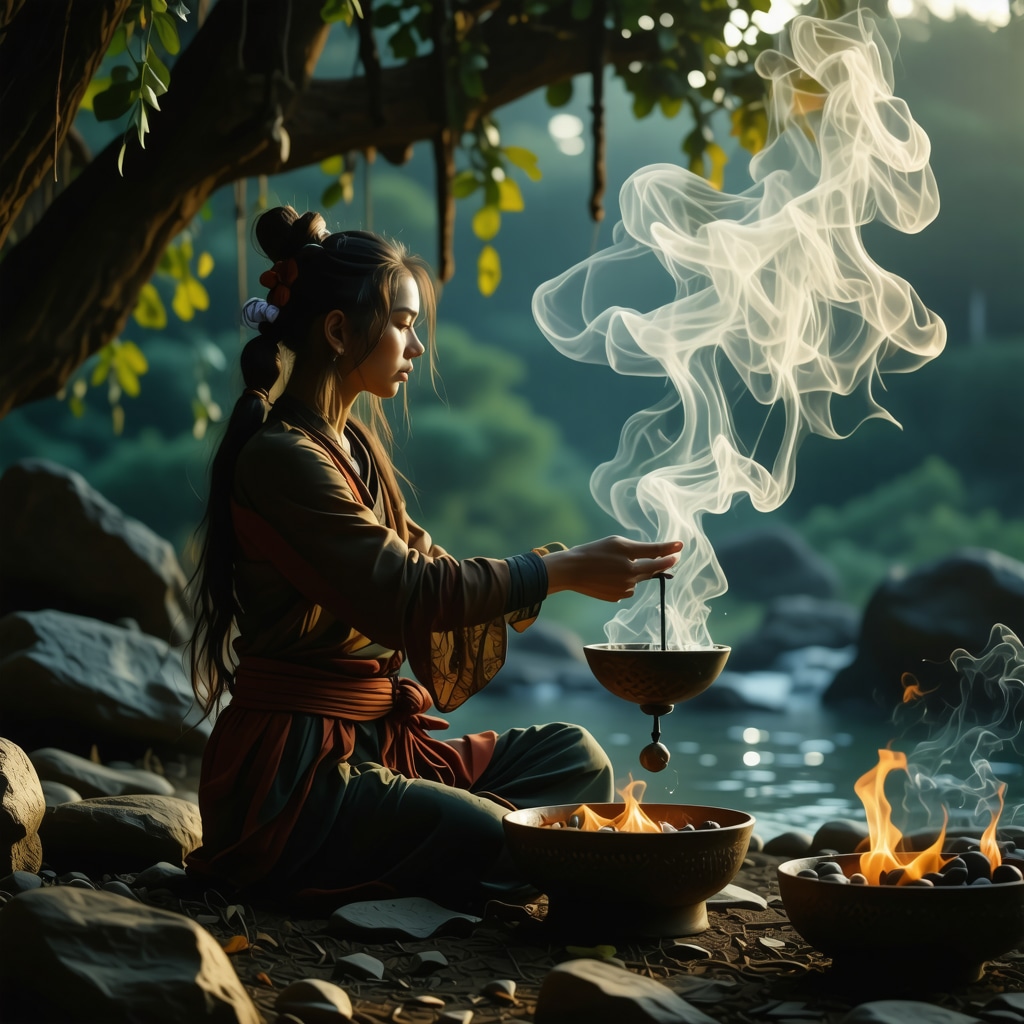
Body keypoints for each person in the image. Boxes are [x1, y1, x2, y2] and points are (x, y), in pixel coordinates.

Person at [185, 205, 682, 913]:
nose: (416, 346)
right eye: (404, 324)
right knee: (497, 831)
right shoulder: (282, 460)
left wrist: (564, 563)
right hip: (304, 774)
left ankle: (468, 861)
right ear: (337, 331)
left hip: (382, 746)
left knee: (575, 759)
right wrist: (563, 573)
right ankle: (421, 868)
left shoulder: (353, 448)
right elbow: (408, 591)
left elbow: (430, 565)